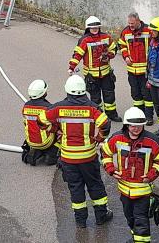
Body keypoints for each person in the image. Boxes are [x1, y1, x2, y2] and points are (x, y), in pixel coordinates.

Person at [39, 75, 113, 228]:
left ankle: (81, 221)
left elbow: (40, 121)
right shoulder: (92, 107)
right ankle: (101, 216)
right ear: (84, 90)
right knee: (95, 185)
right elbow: (105, 124)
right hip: (88, 156)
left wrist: (54, 130)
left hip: (68, 158)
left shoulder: (59, 108)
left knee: (76, 188)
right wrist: (99, 137)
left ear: (67, 90)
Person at [101, 107, 159, 243]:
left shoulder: (152, 141)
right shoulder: (117, 138)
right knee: (130, 217)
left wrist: (151, 175)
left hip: (143, 191)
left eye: (139, 125)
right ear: (126, 125)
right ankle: (136, 237)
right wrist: (110, 169)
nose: (136, 128)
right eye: (133, 125)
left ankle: (141, 240)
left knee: (141, 220)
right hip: (124, 190)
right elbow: (105, 152)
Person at [68, 16, 121, 122]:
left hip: (106, 73)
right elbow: (77, 54)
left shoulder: (106, 37)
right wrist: (71, 67)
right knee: (95, 98)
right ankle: (99, 117)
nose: (95, 29)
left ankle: (112, 114)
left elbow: (114, 49)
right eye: (92, 28)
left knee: (109, 95)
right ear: (88, 28)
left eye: (96, 27)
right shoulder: (84, 40)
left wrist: (109, 55)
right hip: (92, 75)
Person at [118, 12, 154, 125]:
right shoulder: (125, 31)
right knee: (136, 94)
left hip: (145, 71)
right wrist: (126, 56)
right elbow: (122, 45)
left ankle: (149, 117)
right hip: (132, 70)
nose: (130, 26)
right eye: (129, 23)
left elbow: (155, 45)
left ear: (138, 21)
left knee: (147, 94)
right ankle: (139, 115)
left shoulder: (148, 31)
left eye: (132, 23)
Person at [21, 79, 59, 166]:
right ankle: (52, 155)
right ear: (43, 93)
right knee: (61, 129)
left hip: (31, 141)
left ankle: (35, 152)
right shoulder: (48, 108)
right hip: (47, 142)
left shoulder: (25, 106)